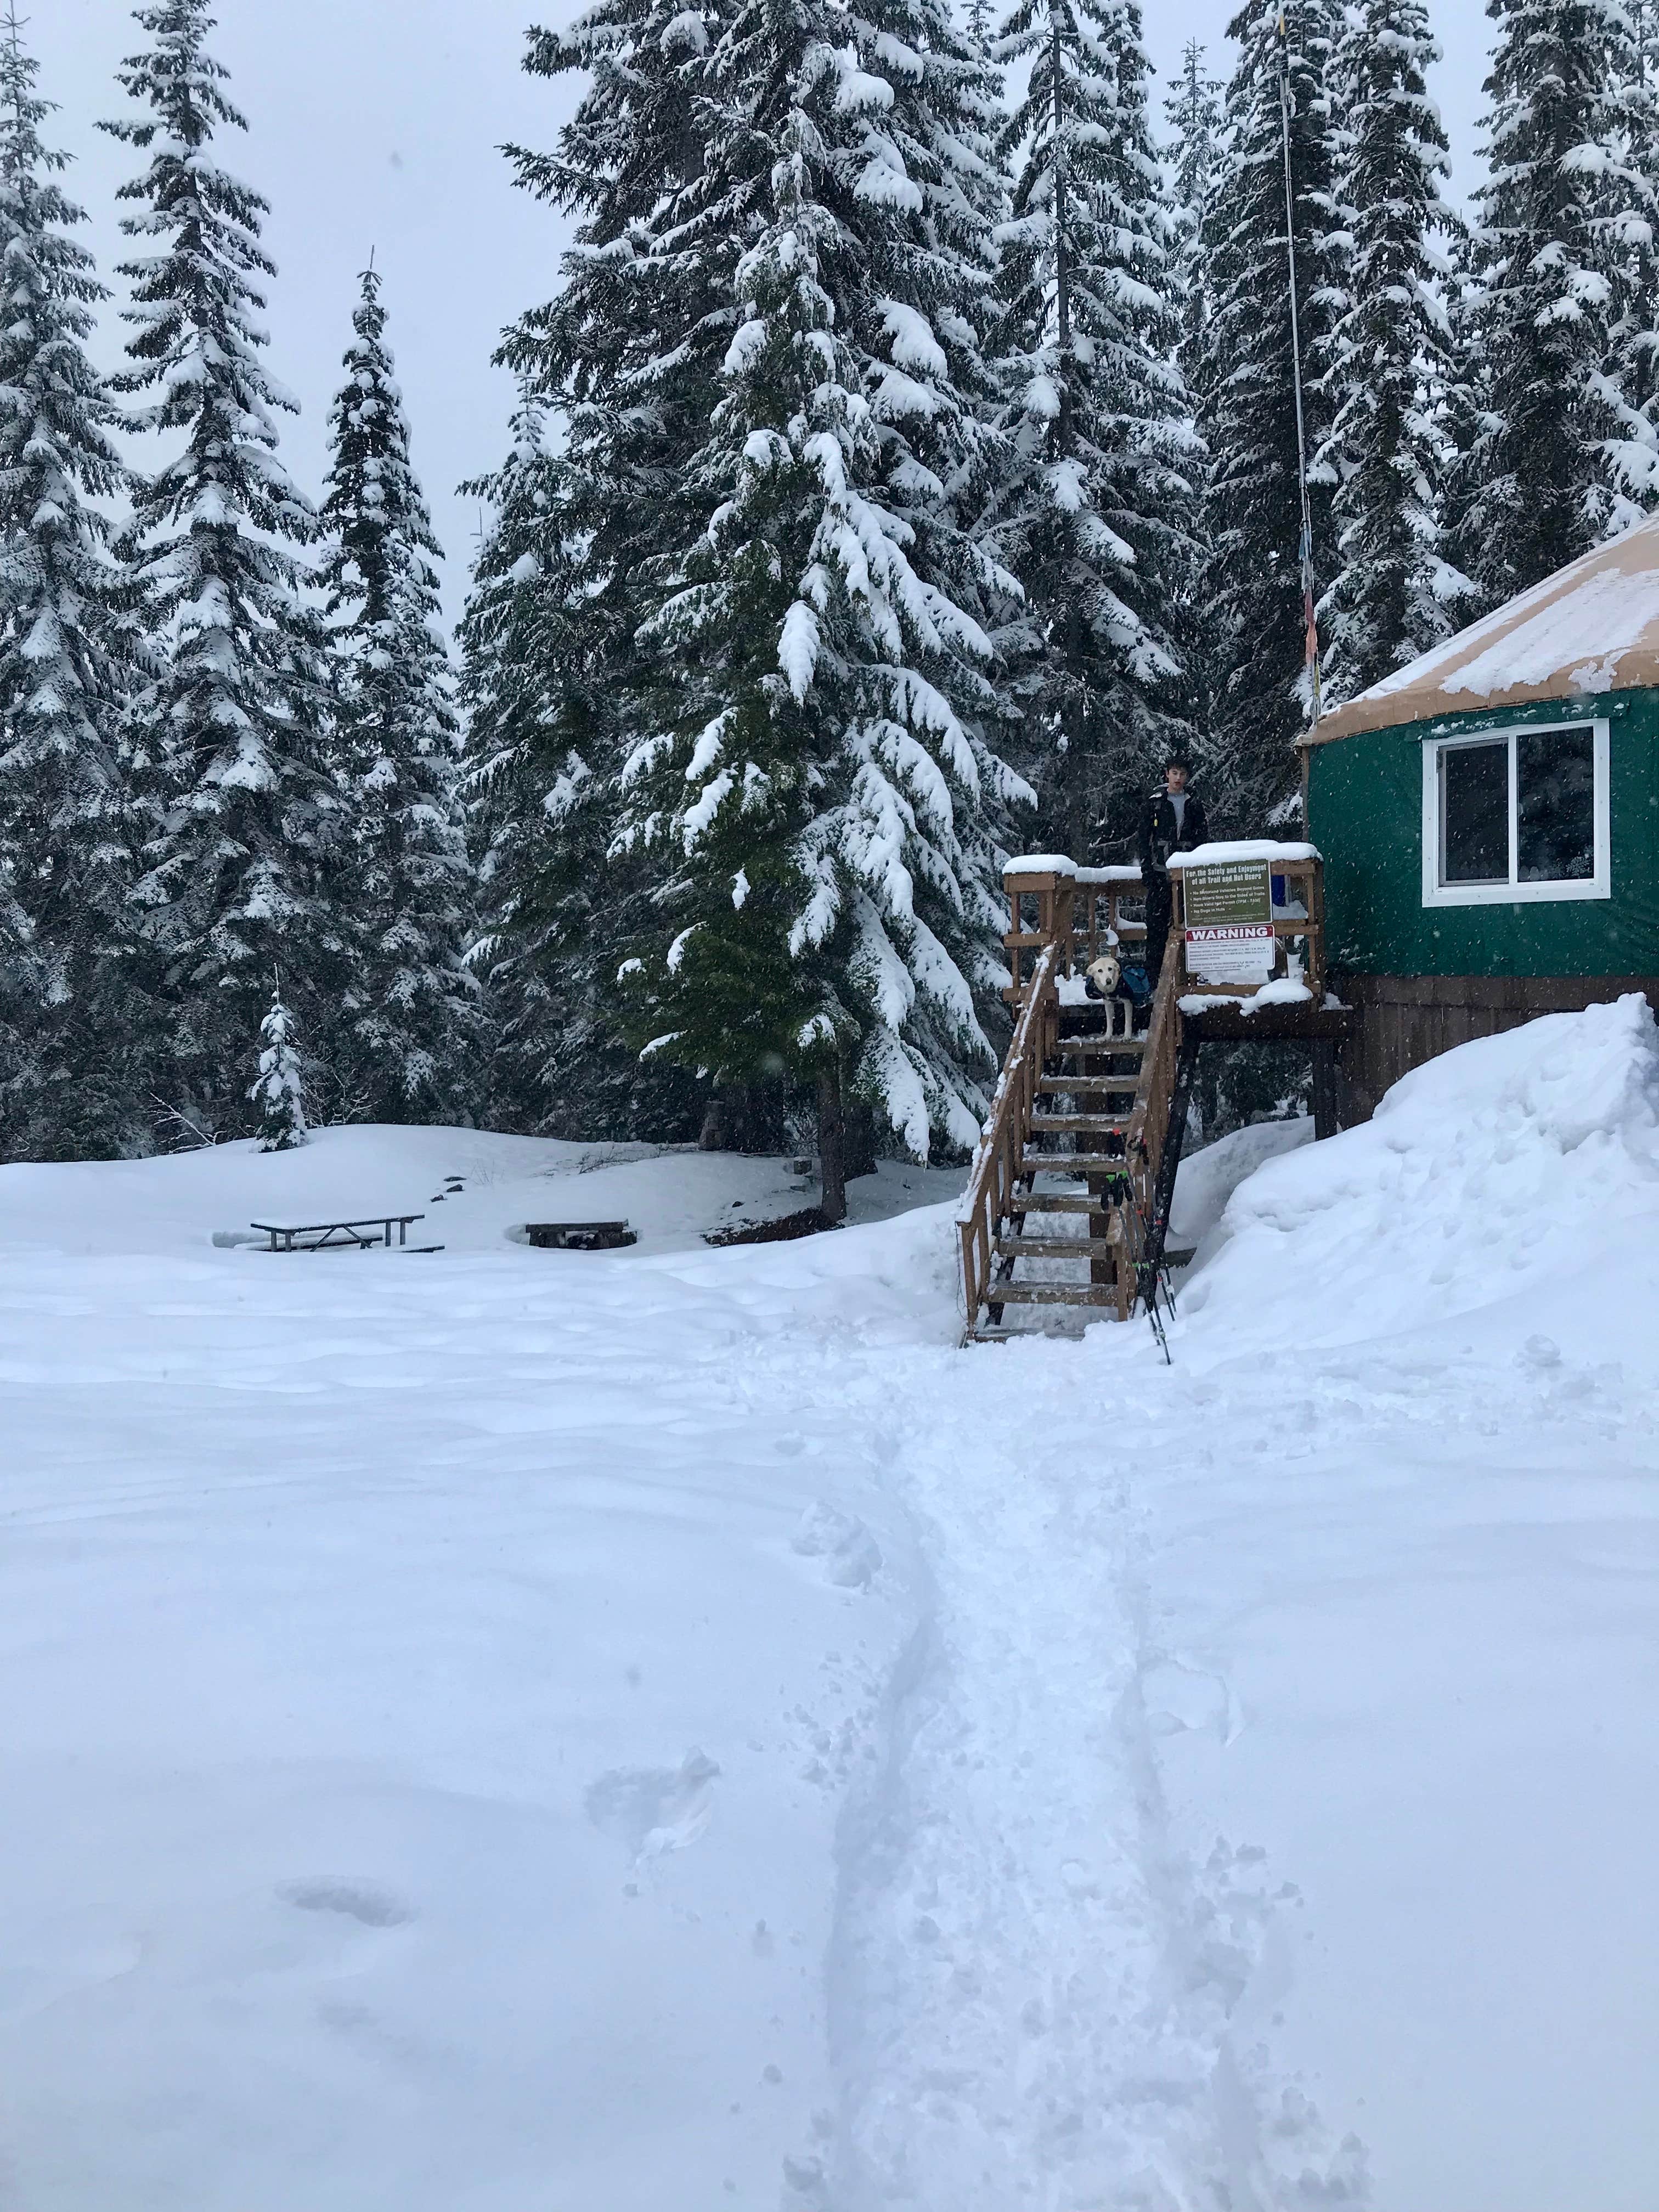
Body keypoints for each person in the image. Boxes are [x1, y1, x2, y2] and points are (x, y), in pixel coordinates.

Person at [1137, 751, 1210, 985]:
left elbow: (1203, 838)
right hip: (1159, 873)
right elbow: (1143, 838)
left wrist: (1200, 866)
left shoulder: (1195, 803)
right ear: (1167, 774)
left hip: (1187, 873)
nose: (1178, 778)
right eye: (1175, 773)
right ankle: (1154, 977)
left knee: (1190, 924)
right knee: (1156, 927)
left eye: (1183, 774)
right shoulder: (1155, 803)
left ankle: (1190, 974)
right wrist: (1146, 869)